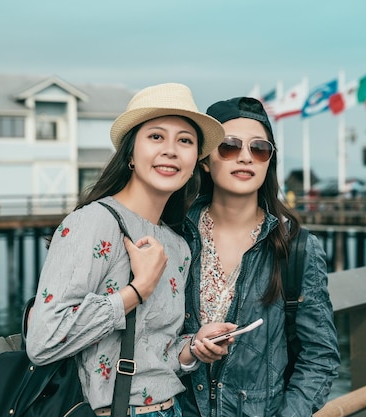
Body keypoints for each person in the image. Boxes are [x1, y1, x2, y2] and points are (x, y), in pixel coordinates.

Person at [26, 83, 238, 417]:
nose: (170, 150)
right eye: (156, 137)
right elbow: (43, 340)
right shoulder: (94, 222)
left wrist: (193, 348)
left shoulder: (178, 246)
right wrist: (136, 291)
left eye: (185, 140)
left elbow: (155, 351)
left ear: (194, 160)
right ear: (130, 153)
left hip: (171, 410)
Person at [179, 97, 340, 417]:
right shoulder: (175, 237)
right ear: (205, 161)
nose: (245, 157)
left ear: (269, 161)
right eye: (229, 146)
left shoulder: (296, 248)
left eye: (259, 148)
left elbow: (320, 357)